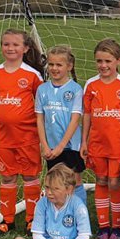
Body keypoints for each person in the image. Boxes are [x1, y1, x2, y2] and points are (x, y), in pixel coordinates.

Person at [0, 28, 44, 235]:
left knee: (30, 177)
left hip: (28, 138)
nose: (10, 48)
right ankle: (7, 220)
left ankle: (32, 220)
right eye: (6, 44)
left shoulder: (32, 75)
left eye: (15, 44)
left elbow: (42, 105)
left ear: (25, 48)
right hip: (3, 138)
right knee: (7, 178)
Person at [81, 38, 120, 239]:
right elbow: (87, 114)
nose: (103, 65)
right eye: (99, 61)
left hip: (117, 144)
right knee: (101, 180)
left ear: (119, 61)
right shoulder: (91, 85)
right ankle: (103, 226)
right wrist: (84, 141)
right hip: (97, 144)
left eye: (108, 61)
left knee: (114, 182)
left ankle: (117, 225)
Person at [10, 165, 102, 239]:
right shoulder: (42, 204)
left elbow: (84, 236)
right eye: (47, 187)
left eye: (55, 188)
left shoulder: (78, 205)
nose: (49, 192)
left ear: (69, 189)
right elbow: (37, 235)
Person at [34, 44, 86, 204]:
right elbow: (39, 119)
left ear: (69, 66)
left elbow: (75, 120)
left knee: (74, 180)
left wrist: (61, 147)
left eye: (59, 64)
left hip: (70, 146)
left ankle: (79, 213)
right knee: (55, 182)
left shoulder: (76, 89)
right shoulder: (42, 89)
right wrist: (44, 145)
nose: (54, 68)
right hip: (51, 147)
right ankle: (60, 213)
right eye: (51, 64)